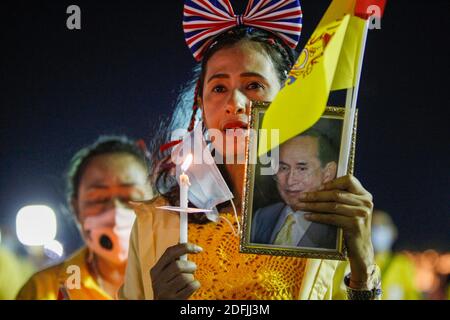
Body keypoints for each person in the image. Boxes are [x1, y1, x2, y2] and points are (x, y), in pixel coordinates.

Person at [120, 0, 380, 300]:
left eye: (254, 85)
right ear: (201, 107)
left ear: (286, 101)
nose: (236, 103)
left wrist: (363, 266)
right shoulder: (154, 222)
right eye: (219, 88)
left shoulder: (325, 216)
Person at [16, 136, 153, 300]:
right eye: (98, 199)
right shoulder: (42, 290)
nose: (115, 212)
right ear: (75, 209)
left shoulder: (185, 279)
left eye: (130, 197)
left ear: (157, 201)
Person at [251, 129, 338, 249]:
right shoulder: (262, 217)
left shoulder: (339, 229)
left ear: (328, 173)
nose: (290, 181)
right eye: (283, 168)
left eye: (302, 169)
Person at [333, 209, 421, 300]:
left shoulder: (401, 264)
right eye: (374, 226)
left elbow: (412, 295)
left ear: (393, 232)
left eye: (384, 225)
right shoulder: (349, 263)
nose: (379, 230)